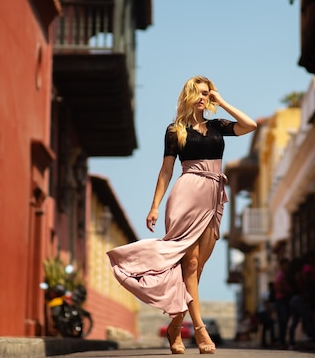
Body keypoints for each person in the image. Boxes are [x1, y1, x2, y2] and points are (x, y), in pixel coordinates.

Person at [107, 76, 257, 355]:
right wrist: (154, 205)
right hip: (186, 194)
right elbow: (166, 171)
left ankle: (176, 327)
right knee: (189, 263)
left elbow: (250, 125)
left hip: (213, 197)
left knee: (196, 270)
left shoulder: (217, 126)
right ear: (188, 96)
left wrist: (221, 101)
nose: (203, 97)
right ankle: (200, 330)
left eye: (206, 93)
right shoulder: (175, 130)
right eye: (198, 93)